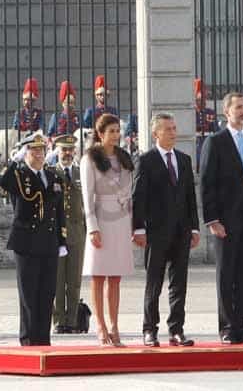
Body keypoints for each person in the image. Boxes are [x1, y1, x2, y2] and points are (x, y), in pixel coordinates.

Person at [200, 92, 243, 345]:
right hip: (225, 221)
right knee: (226, 274)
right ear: (226, 112)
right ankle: (227, 326)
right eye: (238, 107)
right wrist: (212, 219)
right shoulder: (215, 142)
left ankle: (242, 325)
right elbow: (207, 184)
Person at [132, 112, 200, 348]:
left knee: (179, 282)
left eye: (174, 128)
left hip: (181, 230)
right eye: (168, 129)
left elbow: (191, 196)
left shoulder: (183, 159)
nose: (173, 132)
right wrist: (138, 228)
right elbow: (138, 197)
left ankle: (176, 329)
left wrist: (195, 227)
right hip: (156, 231)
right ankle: (149, 329)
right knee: (154, 282)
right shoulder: (147, 160)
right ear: (155, 134)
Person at [0, 132, 67, 346]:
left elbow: (59, 211)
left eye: (41, 150)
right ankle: (28, 338)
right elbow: (3, 182)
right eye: (33, 150)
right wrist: (15, 161)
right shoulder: (19, 175)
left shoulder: (53, 175)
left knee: (47, 293)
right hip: (26, 240)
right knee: (28, 293)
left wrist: (62, 240)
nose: (38, 154)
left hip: (48, 240)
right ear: (25, 153)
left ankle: (43, 338)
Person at [80, 114, 134, 347]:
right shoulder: (90, 159)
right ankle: (100, 325)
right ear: (100, 134)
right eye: (110, 131)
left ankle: (114, 324)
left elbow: (130, 186)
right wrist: (92, 227)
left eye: (117, 130)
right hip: (101, 217)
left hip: (121, 219)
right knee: (99, 276)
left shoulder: (124, 157)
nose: (115, 135)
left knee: (116, 277)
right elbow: (87, 195)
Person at [52, 134, 85, 334]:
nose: (67, 154)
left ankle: (72, 321)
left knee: (74, 280)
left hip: (77, 232)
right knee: (57, 279)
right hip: (56, 232)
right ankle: (58, 320)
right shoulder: (50, 172)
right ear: (57, 151)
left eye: (70, 150)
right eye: (63, 150)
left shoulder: (81, 173)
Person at [194, 79, 220, 171]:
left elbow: (217, 129)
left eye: (204, 99)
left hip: (208, 141)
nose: (203, 102)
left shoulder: (210, 112)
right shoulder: (191, 113)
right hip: (196, 143)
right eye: (200, 100)